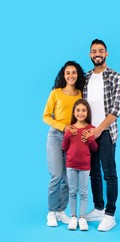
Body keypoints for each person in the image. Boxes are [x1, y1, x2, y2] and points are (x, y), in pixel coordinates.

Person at [83, 39, 120, 231]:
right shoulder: (86, 77)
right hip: (88, 133)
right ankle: (99, 207)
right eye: (94, 51)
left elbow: (117, 109)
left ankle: (110, 214)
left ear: (106, 54)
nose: (97, 54)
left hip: (106, 132)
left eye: (101, 51)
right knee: (93, 173)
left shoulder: (116, 77)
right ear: (90, 55)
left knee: (109, 173)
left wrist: (98, 129)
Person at [43, 61, 86, 227]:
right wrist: (63, 127)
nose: (71, 76)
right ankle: (51, 212)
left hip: (74, 140)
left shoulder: (80, 94)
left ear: (78, 75)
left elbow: (83, 115)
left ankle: (61, 211)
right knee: (56, 175)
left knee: (70, 179)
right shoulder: (56, 93)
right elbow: (46, 116)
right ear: (63, 75)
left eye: (74, 72)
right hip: (56, 136)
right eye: (68, 73)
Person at [62, 99, 98, 231]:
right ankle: (73, 217)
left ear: (87, 112)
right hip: (71, 164)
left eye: (83, 110)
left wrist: (90, 138)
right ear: (74, 112)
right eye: (78, 110)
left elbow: (94, 149)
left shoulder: (91, 129)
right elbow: (64, 147)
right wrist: (67, 135)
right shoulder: (70, 128)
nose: (81, 113)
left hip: (84, 166)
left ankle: (82, 218)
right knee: (72, 191)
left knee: (83, 192)